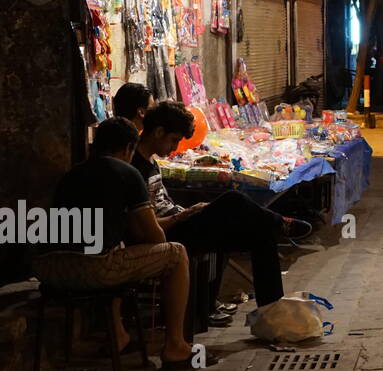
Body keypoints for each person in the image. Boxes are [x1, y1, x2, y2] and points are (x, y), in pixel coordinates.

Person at [31, 118, 198, 369]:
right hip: (93, 269)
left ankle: (119, 334)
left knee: (116, 249)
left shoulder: (72, 174)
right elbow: (154, 236)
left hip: (50, 269)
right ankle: (176, 345)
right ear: (129, 147)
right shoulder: (128, 173)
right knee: (176, 253)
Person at [128, 99, 308, 307]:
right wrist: (184, 215)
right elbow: (147, 226)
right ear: (158, 132)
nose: (175, 147)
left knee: (262, 234)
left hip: (181, 221)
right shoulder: (134, 169)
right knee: (233, 199)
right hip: (168, 234)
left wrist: (188, 212)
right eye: (174, 140)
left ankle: (272, 311)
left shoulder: (152, 161)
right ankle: (280, 223)